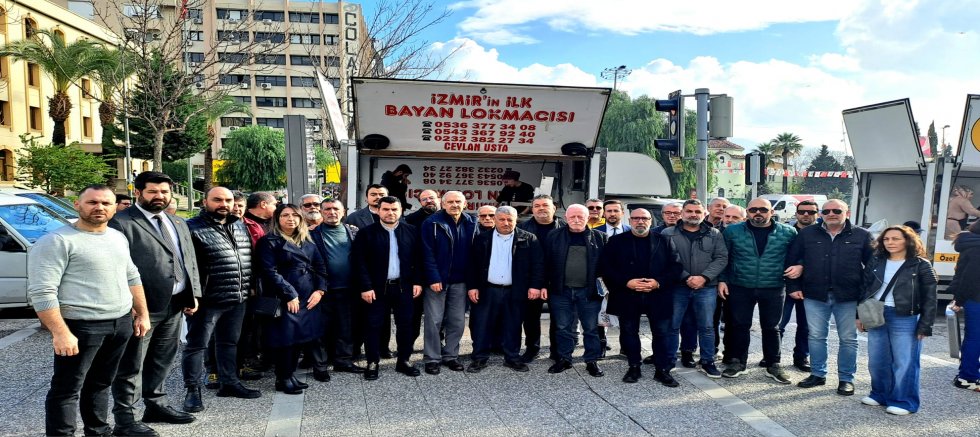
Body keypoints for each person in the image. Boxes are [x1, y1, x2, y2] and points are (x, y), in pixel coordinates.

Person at [28, 185, 150, 437]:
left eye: (106, 203)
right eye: (92, 202)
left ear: (115, 207)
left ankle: (98, 431)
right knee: (67, 388)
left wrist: (142, 312)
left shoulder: (117, 236)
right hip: (80, 326)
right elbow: (42, 292)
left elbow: (132, 276)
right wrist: (60, 333)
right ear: (77, 205)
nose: (100, 207)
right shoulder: (57, 241)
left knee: (101, 383)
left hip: (119, 324)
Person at [109, 172, 201, 436]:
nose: (159, 196)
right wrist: (136, 309)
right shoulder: (122, 223)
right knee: (132, 364)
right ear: (138, 193)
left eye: (164, 192)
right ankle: (125, 420)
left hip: (174, 304)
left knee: (162, 359)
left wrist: (191, 292)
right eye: (152, 192)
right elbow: (118, 270)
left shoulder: (177, 222)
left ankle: (156, 405)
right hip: (142, 308)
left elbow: (187, 259)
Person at [182, 187, 260, 413]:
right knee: (196, 346)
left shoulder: (239, 224)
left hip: (237, 296)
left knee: (229, 342)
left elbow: (247, 258)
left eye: (227, 200)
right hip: (207, 300)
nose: (224, 204)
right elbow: (188, 267)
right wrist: (192, 296)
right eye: (217, 200)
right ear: (205, 201)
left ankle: (230, 383)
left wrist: (250, 286)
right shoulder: (191, 228)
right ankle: (192, 391)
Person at [788, 200, 873, 396]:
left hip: (849, 296)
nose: (831, 213)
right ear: (821, 214)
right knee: (816, 337)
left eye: (837, 210)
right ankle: (818, 374)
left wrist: (865, 298)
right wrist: (793, 286)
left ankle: (846, 379)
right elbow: (793, 260)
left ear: (847, 212)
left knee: (849, 339)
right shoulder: (807, 234)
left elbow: (871, 269)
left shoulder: (862, 236)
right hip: (815, 294)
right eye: (827, 211)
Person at [858, 225, 937, 415]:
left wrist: (925, 325)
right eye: (886, 239)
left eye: (896, 239)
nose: (890, 242)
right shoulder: (876, 260)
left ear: (908, 241)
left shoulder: (921, 264)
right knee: (877, 360)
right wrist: (859, 315)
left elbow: (930, 297)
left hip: (905, 316)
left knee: (905, 361)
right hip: (876, 312)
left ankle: (904, 401)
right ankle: (880, 394)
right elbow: (864, 287)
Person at [718, 197, 798, 384]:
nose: (758, 213)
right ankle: (738, 362)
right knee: (740, 325)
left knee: (772, 327)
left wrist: (799, 267)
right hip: (740, 285)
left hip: (773, 286)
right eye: (753, 209)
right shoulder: (732, 231)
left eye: (763, 209)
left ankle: (773, 364)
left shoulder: (788, 232)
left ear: (771, 212)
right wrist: (722, 280)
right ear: (747, 212)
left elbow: (796, 257)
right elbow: (724, 258)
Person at [255, 204, 328, 394]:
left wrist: (319, 291)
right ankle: (283, 378)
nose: (291, 219)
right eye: (285, 215)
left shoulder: (308, 242)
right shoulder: (269, 242)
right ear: (277, 219)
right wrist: (290, 293)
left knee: (300, 338)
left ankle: (290, 375)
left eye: (295, 215)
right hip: (284, 297)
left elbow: (321, 268)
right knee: (285, 339)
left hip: (308, 297)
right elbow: (269, 272)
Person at [600, 207, 678, 384]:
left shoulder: (664, 240)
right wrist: (626, 282)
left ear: (651, 221)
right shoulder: (615, 241)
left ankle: (662, 369)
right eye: (636, 218)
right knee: (629, 332)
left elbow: (676, 267)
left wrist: (657, 283)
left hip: (658, 295)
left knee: (661, 333)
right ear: (630, 221)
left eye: (644, 218)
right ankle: (634, 367)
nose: (640, 221)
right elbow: (607, 268)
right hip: (627, 295)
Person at [351, 196, 423, 380]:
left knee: (406, 325)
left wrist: (417, 282)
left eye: (394, 209)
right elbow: (359, 262)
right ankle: (372, 362)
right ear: (378, 210)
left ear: (401, 211)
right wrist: (365, 287)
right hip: (375, 289)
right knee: (373, 325)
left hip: (404, 287)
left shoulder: (412, 231)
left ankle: (404, 361)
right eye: (386, 209)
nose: (390, 213)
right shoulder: (366, 233)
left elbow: (419, 260)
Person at [465, 206, 544, 373]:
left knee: (513, 324)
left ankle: (512, 358)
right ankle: (479, 358)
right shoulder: (482, 239)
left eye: (510, 220)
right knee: (482, 324)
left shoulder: (529, 239)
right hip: (488, 290)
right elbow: (472, 265)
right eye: (502, 219)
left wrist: (535, 286)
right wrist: (472, 287)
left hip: (515, 290)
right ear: (495, 220)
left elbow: (538, 265)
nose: (506, 223)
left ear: (516, 220)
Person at [661, 199, 728, 379]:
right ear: (682, 213)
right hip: (677, 287)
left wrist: (703, 277)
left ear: (704, 213)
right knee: (673, 325)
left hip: (706, 287)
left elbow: (721, 258)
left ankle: (707, 361)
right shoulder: (668, 233)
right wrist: (686, 277)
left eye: (697, 212)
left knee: (706, 326)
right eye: (689, 211)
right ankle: (668, 359)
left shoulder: (714, 234)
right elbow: (665, 260)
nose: (693, 215)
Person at [544, 204, 607, 377]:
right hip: (561, 291)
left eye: (580, 216)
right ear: (566, 218)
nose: (576, 220)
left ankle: (591, 361)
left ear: (588, 218)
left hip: (589, 292)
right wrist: (543, 285)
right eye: (572, 217)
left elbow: (607, 267)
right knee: (563, 327)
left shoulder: (601, 238)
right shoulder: (554, 236)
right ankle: (564, 359)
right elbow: (545, 263)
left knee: (591, 328)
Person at [420, 191, 478, 375]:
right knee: (434, 321)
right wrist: (434, 278)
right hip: (438, 282)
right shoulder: (432, 223)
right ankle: (432, 358)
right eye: (450, 202)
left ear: (465, 203)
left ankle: (451, 356)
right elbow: (426, 254)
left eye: (458, 201)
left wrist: (473, 282)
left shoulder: (472, 222)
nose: (454, 205)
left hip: (461, 282)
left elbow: (475, 254)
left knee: (457, 321)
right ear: (443, 204)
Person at [311, 199, 365, 374]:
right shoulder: (311, 234)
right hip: (322, 289)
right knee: (321, 328)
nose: (331, 212)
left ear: (343, 212)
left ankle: (343, 360)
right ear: (321, 211)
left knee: (346, 327)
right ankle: (321, 364)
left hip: (349, 288)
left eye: (336, 209)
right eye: (327, 209)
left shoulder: (354, 232)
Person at [517, 194, 565, 363]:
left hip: (558, 281)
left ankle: (556, 350)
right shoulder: (522, 228)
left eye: (545, 205)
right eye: (537, 206)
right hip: (531, 283)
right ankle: (532, 349)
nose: (541, 208)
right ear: (532, 209)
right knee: (530, 318)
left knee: (558, 318)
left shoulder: (565, 227)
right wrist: (536, 284)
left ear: (554, 208)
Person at [779, 200, 819, 373]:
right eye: (802, 211)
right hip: (784, 284)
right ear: (796, 213)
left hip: (811, 286)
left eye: (810, 212)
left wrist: (802, 265)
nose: (806, 215)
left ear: (817, 214)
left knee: (806, 326)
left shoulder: (823, 234)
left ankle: (801, 357)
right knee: (778, 324)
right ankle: (773, 356)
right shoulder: (786, 232)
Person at [947, 222, 980, 391]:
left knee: (973, 337)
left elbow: (963, 275)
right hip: (976, 298)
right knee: (975, 338)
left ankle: (967, 375)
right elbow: (970, 278)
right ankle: (968, 377)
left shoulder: (969, 243)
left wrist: (958, 299)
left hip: (974, 298)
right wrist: (958, 300)